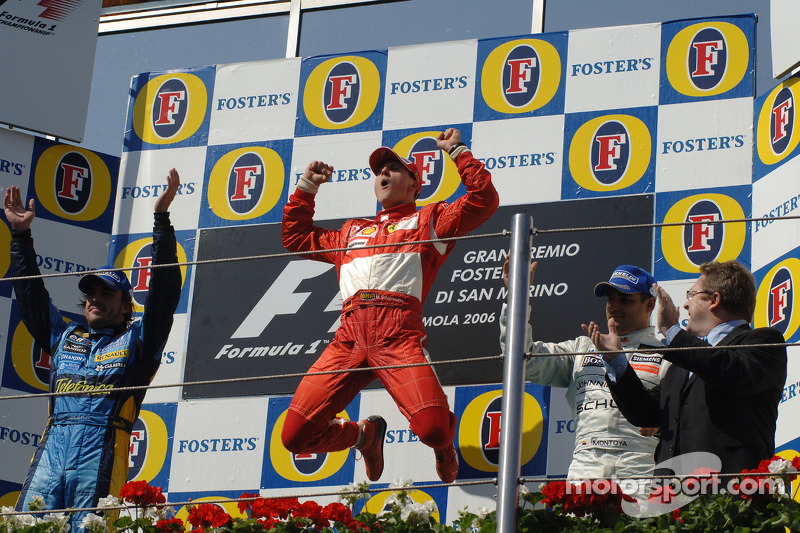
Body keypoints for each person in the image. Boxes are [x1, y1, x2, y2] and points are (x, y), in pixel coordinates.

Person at [280, 128, 499, 483]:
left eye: (393, 169)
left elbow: (483, 199)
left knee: (432, 431)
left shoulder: (429, 221)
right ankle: (364, 436)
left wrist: (458, 151)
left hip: (397, 336)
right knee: (293, 437)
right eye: (379, 171)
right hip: (348, 340)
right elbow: (296, 237)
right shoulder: (351, 231)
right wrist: (307, 186)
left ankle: (445, 443)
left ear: (415, 185)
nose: (382, 174)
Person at [6, 170, 183, 530]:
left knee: (89, 529)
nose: (95, 299)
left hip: (102, 450)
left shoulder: (138, 341)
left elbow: (164, 297)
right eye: (90, 294)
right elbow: (31, 298)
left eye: (106, 294)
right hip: (52, 449)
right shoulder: (65, 336)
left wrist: (161, 223)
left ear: (125, 306)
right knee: (24, 527)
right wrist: (21, 237)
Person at [586, 260, 787, 474]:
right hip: (673, 496)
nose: (685, 305)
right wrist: (616, 361)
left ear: (714, 300)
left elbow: (732, 373)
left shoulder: (763, 341)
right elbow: (645, 413)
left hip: (729, 493)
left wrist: (671, 331)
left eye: (691, 295)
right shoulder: (682, 363)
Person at [500, 261, 668, 481]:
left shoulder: (667, 354)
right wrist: (517, 295)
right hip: (586, 469)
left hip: (640, 469)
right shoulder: (582, 348)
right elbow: (523, 360)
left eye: (625, 300)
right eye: (610, 299)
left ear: (650, 305)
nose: (614, 306)